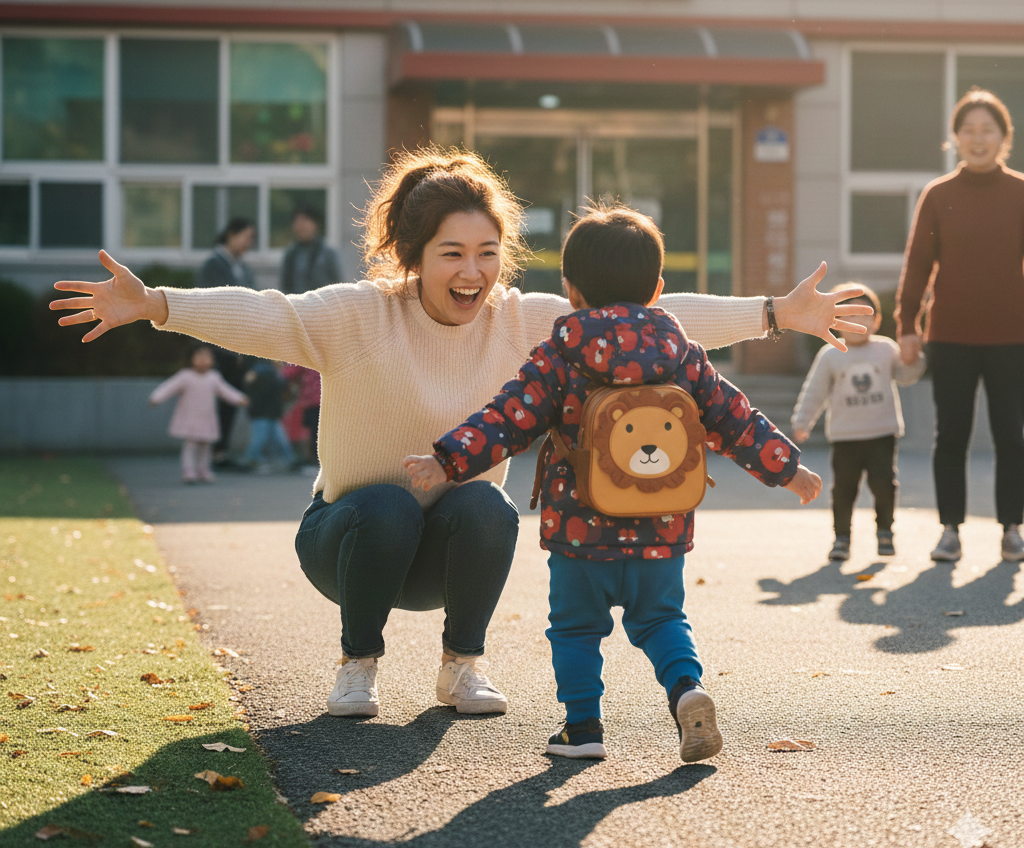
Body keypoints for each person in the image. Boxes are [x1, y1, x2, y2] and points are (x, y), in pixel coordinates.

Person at [50, 146, 870, 722]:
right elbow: (265, 314)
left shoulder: (527, 323)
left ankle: (460, 667)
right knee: (385, 504)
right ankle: (357, 666)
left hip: (452, 552)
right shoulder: (355, 313)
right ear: (413, 254)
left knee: (486, 505)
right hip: (346, 540)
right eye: (451, 254)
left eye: (486, 252)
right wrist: (157, 303)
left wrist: (773, 314)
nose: (471, 272)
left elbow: (651, 321)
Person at [405, 205, 821, 762]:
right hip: (662, 526)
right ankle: (686, 690)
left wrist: (447, 460)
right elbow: (734, 419)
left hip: (580, 532)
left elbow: (509, 417)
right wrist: (788, 470)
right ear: (658, 291)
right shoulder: (683, 356)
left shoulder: (560, 354)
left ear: (571, 290)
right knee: (663, 619)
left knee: (575, 630)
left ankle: (583, 730)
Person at [896, 88, 1024, 563]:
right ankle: (950, 530)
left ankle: (1012, 528)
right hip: (949, 335)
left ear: (1003, 137)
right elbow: (917, 265)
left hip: (1013, 336)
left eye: (987, 130)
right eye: (968, 130)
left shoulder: (1020, 192)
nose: (977, 138)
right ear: (955, 138)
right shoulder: (938, 194)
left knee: (1013, 435)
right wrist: (907, 325)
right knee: (951, 435)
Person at [792, 285, 926, 561]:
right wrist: (803, 421)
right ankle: (841, 538)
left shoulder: (886, 349)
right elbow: (814, 391)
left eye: (865, 314)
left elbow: (905, 374)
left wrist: (915, 360)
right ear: (835, 321)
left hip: (882, 433)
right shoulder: (830, 354)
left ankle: (885, 532)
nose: (857, 322)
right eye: (849, 315)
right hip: (845, 436)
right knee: (844, 489)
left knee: (884, 484)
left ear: (876, 321)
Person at [198, 217, 258, 465]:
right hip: (218, 342)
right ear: (231, 235)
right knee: (217, 400)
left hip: (238, 344)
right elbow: (211, 303)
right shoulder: (214, 264)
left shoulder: (241, 266)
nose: (248, 242)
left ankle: (220, 450)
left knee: (230, 398)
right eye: (246, 236)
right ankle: (211, 451)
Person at [148, 345, 248, 484]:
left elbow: (226, 391)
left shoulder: (214, 377)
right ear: (191, 359)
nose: (203, 360)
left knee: (206, 445)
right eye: (199, 357)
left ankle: (203, 470)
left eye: (207, 357)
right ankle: (188, 471)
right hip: (190, 417)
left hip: (207, 418)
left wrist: (240, 398)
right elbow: (169, 387)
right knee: (190, 444)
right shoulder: (185, 376)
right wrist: (156, 398)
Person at [241, 359, 296, 473]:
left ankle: (289, 461)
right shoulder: (269, 373)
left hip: (267, 412)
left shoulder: (256, 372)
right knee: (261, 439)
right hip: (264, 412)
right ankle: (250, 461)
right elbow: (280, 388)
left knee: (277, 439)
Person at [280, 204, 344, 293]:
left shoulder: (327, 253)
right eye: (297, 222)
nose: (301, 226)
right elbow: (285, 286)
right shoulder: (291, 254)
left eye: (305, 221)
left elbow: (338, 284)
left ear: (316, 224)